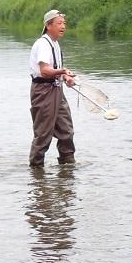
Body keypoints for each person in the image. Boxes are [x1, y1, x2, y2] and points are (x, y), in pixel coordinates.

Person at [29, 10, 77, 167]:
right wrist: (62, 72)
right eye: (59, 23)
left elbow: (55, 69)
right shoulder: (43, 44)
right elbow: (44, 71)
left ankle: (67, 166)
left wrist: (66, 77)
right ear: (48, 26)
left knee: (66, 131)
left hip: (57, 89)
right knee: (43, 134)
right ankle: (36, 169)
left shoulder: (55, 43)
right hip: (43, 91)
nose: (63, 26)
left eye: (64, 23)